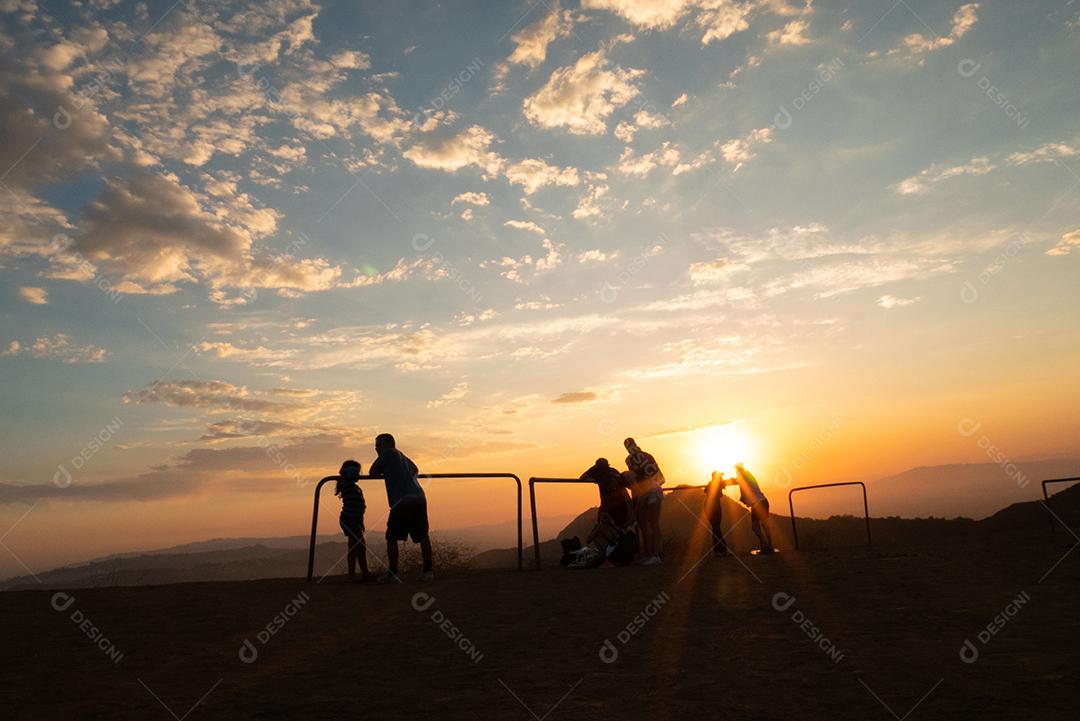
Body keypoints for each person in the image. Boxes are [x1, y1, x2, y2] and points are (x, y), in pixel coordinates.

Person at [369, 433, 433, 582]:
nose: (376, 448)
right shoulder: (401, 455)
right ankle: (428, 571)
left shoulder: (388, 453)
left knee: (391, 536)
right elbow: (415, 469)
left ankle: (393, 572)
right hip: (419, 497)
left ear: (387, 444)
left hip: (402, 500)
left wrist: (387, 469)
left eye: (378, 445)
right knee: (423, 535)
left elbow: (373, 472)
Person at [624, 437, 665, 565]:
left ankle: (653, 555)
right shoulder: (647, 455)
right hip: (653, 490)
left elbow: (635, 477)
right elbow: (661, 478)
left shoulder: (629, 459)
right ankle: (652, 554)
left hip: (647, 492)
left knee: (648, 523)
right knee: (650, 523)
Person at [336, 460, 374, 581]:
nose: (358, 475)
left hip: (355, 520)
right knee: (360, 547)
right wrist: (351, 471)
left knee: (353, 547)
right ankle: (365, 574)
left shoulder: (355, 487)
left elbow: (359, 507)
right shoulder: (346, 484)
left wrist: (361, 522)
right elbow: (344, 472)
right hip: (349, 519)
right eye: (357, 472)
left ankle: (351, 575)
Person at [732, 463, 774, 554]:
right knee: (761, 525)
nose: (736, 473)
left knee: (757, 526)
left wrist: (718, 482)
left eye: (736, 471)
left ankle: (766, 545)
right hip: (761, 502)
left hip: (759, 504)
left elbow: (734, 481)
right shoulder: (747, 475)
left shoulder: (744, 476)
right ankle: (768, 546)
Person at [704, 470, 730, 556]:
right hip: (713, 507)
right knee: (716, 528)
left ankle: (718, 550)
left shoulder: (711, 484)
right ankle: (721, 550)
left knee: (715, 528)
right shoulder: (717, 484)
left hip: (709, 507)